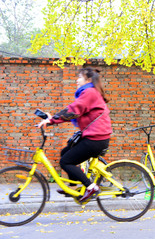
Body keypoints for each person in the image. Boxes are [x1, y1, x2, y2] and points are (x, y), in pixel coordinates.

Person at [38, 67, 112, 202]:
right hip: (94, 137)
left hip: (95, 139)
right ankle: (73, 187)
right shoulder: (90, 92)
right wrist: (52, 118)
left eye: (79, 77)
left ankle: (91, 187)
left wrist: (52, 120)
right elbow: (75, 110)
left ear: (88, 79)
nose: (77, 80)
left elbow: (74, 110)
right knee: (65, 152)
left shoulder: (90, 92)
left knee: (65, 162)